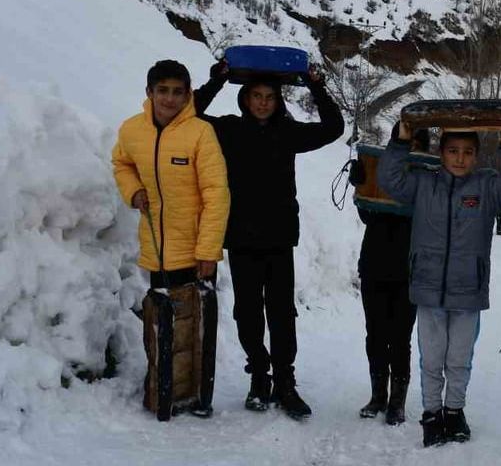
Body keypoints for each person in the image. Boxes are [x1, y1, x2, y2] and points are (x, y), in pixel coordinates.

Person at [192, 59, 344, 420]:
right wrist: (217, 81)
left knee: (281, 313)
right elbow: (190, 115)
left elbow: (333, 128)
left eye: (270, 97)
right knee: (247, 313)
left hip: (278, 238)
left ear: (278, 101)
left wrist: (316, 86)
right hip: (241, 238)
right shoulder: (228, 130)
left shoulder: (288, 133)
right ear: (245, 99)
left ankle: (285, 382)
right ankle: (259, 375)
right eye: (256, 96)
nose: (263, 103)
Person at [378, 120, 501, 447]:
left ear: (477, 155)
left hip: (468, 291)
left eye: (468, 152)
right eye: (453, 151)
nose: (460, 158)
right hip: (428, 288)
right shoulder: (423, 184)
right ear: (441, 153)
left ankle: (454, 411)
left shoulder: (487, 188)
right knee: (432, 360)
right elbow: (389, 178)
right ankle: (432, 414)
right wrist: (401, 141)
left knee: (459, 360)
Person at [111, 60, 230, 418]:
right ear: (149, 92)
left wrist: (208, 250)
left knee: (197, 327)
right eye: (162, 90)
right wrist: (133, 191)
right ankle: (164, 387)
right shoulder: (132, 130)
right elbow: (122, 164)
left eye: (178, 92)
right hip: (156, 248)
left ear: (188, 94)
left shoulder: (200, 133)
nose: (169, 98)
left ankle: (196, 394)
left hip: (195, 251)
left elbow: (217, 194)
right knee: (162, 323)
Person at [347, 125, 433, 426]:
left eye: (417, 144)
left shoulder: (429, 179)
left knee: (399, 338)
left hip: (409, 270)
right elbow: (368, 215)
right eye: (405, 143)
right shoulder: (381, 172)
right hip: (374, 264)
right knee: (375, 334)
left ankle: (397, 402)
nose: (411, 149)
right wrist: (360, 184)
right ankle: (377, 396)